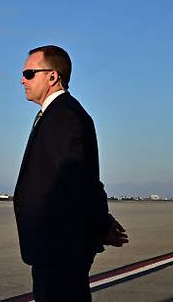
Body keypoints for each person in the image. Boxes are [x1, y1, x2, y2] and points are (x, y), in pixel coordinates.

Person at [13, 45, 128, 302]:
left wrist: (102, 224)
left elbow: (81, 180)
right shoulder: (56, 114)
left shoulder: (64, 116)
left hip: (60, 246)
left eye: (29, 73)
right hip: (54, 245)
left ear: (52, 77)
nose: (22, 79)